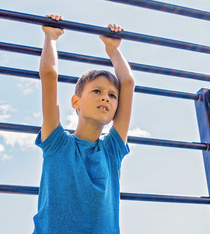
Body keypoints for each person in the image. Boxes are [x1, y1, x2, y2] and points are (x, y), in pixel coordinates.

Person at [33, 14, 135, 234]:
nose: (105, 98)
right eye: (97, 91)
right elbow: (49, 75)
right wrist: (51, 36)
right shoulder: (57, 143)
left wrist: (113, 50)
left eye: (112, 95)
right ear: (75, 101)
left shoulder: (112, 151)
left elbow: (128, 83)